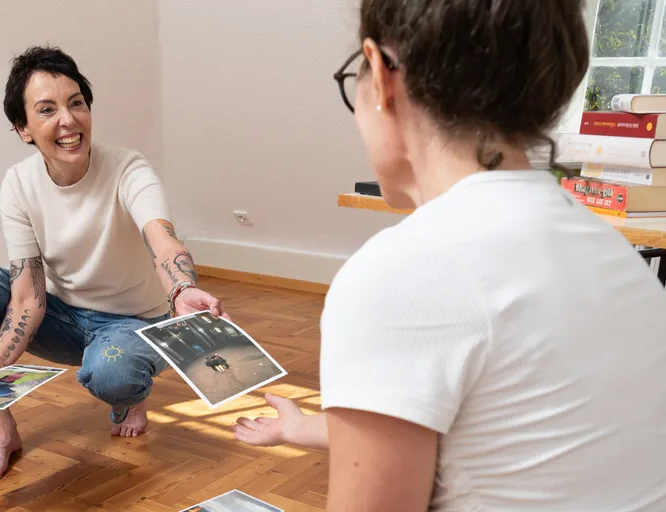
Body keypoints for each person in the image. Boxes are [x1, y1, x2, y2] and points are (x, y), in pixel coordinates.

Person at [234, 0, 666, 510]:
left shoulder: (405, 272)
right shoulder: (611, 254)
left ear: (380, 74)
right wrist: (304, 426)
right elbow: (507, 429)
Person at [0, 45, 228, 481]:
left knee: (112, 373)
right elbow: (28, 295)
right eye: (47, 110)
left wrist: (182, 290)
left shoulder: (129, 169)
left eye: (76, 104)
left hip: (132, 323)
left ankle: (129, 394)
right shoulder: (18, 184)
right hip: (62, 317)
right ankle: (3, 431)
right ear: (24, 129)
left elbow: (162, 240)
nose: (68, 120)